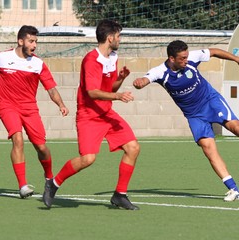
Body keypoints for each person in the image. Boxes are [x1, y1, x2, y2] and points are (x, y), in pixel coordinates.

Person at [43, 19, 140, 210]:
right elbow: (92, 92)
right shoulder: (91, 60)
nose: (120, 39)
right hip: (88, 115)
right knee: (88, 159)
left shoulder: (113, 57)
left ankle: (120, 194)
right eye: (118, 36)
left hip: (106, 113)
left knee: (133, 147)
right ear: (110, 37)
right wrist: (118, 96)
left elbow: (108, 87)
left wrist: (120, 79)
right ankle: (53, 184)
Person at [133, 40, 239, 202]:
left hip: (210, 100)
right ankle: (234, 189)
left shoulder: (192, 58)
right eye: (182, 58)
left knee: (235, 128)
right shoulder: (161, 72)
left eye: (186, 57)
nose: (186, 60)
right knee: (208, 148)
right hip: (194, 114)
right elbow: (147, 78)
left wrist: (236, 59)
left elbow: (215, 52)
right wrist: (140, 82)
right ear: (171, 58)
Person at [0, 25, 69, 198]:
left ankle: (49, 178)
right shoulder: (2, 58)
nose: (34, 45)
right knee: (17, 139)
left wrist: (61, 104)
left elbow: (51, 89)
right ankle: (23, 185)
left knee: (42, 147)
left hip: (29, 109)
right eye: (31, 41)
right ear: (20, 41)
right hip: (7, 105)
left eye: (36, 41)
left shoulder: (38, 64)